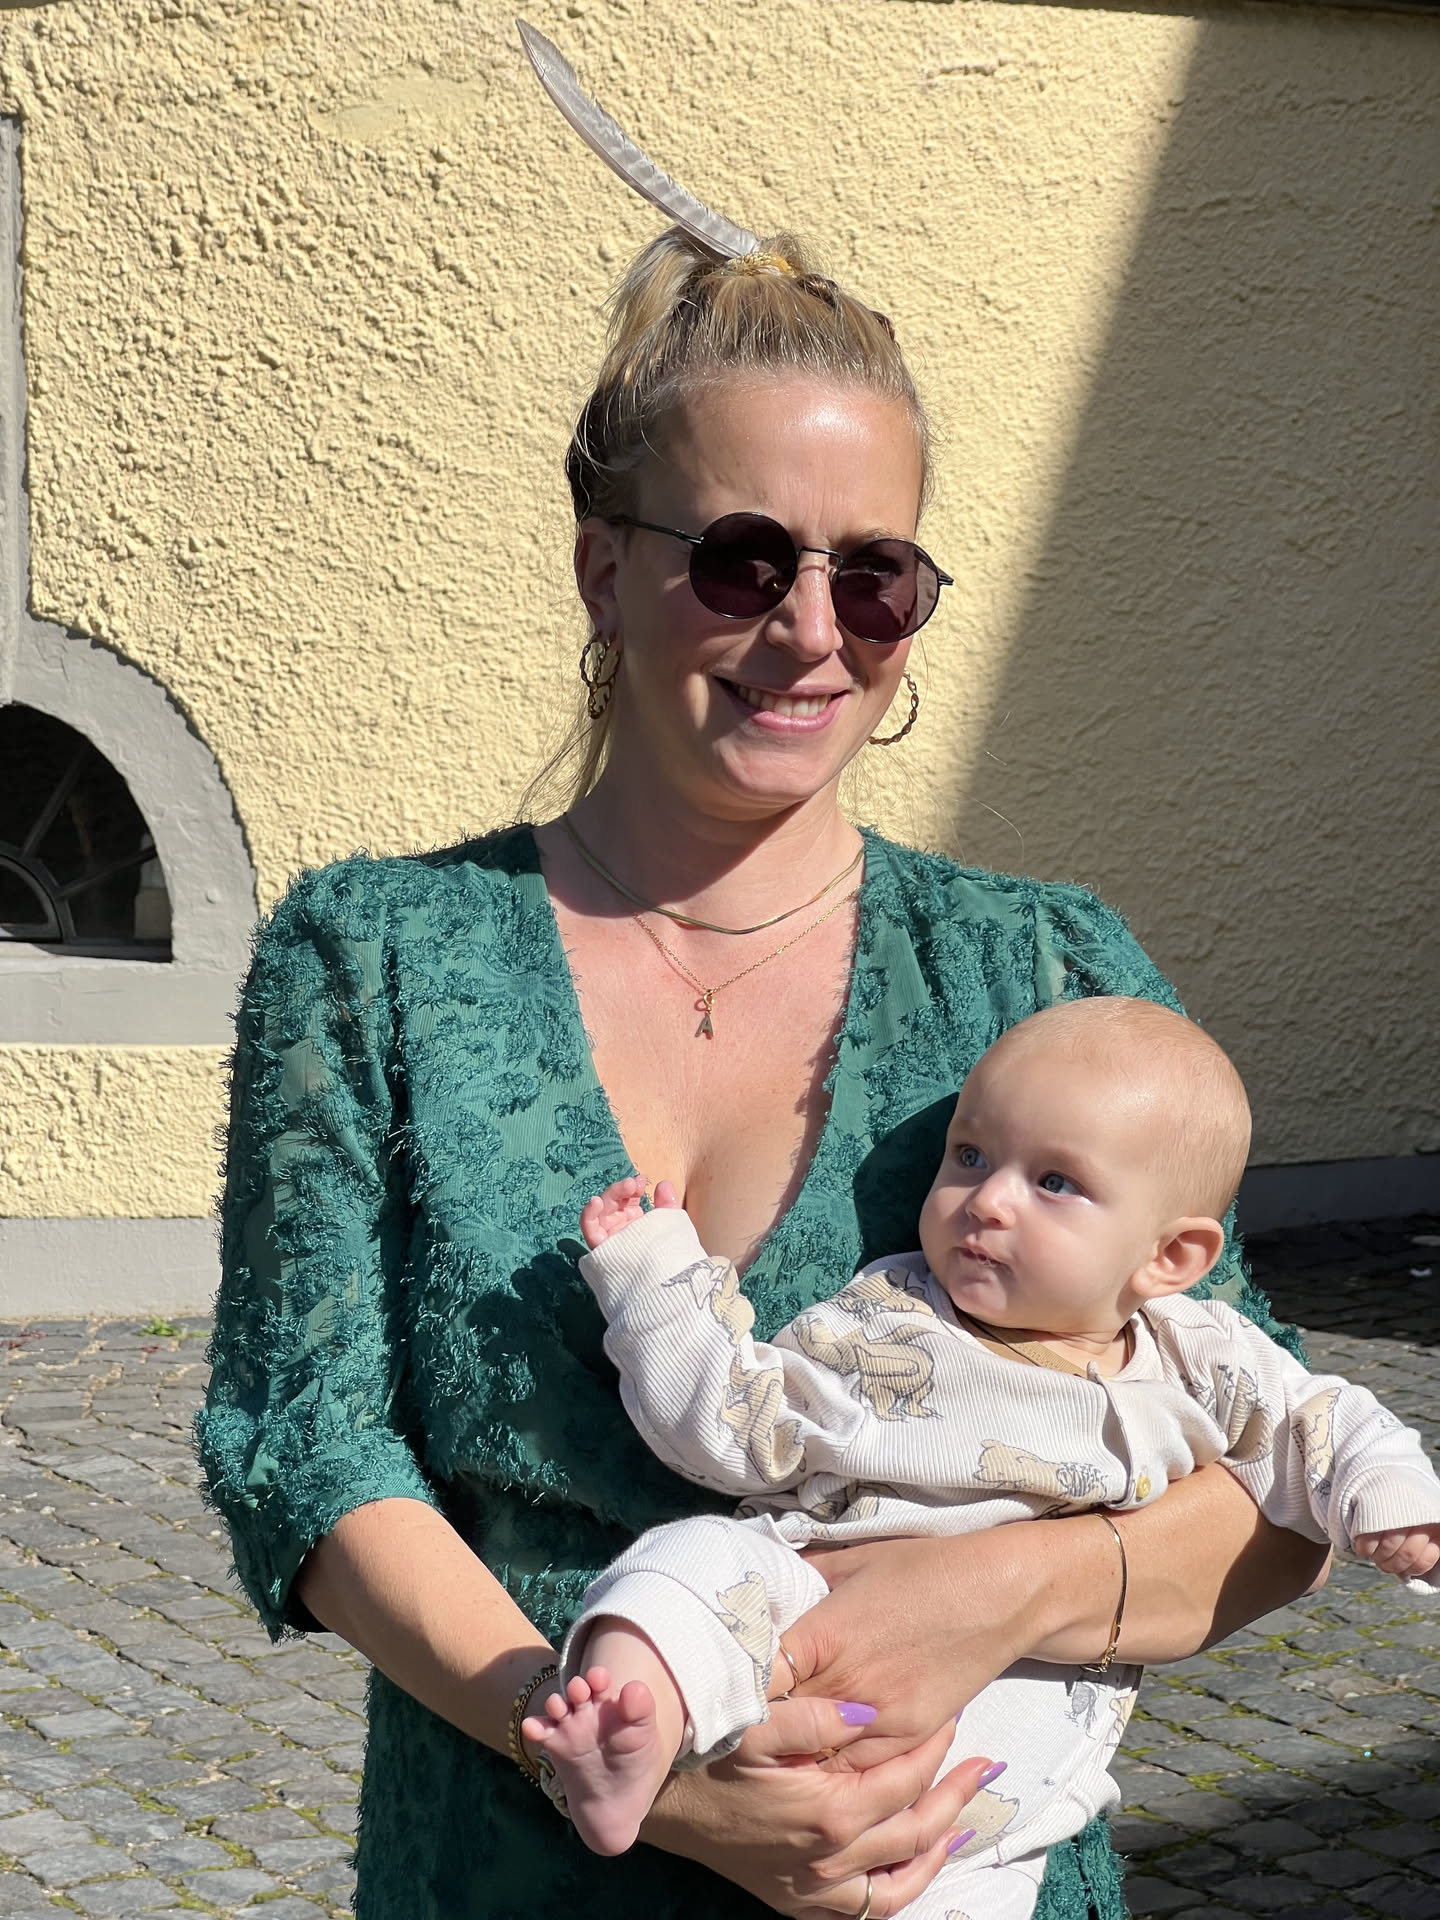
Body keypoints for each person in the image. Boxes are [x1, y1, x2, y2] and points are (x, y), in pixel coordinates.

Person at [196, 226, 1330, 1920]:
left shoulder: (1046, 969)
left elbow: (1274, 1471)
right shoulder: (374, 958)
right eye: (741, 561)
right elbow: (311, 1447)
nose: (811, 631)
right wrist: (613, 1762)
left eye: (875, 576)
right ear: (602, 568)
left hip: (960, 1874)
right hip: (516, 1865)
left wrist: (1000, 1596)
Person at [526, 997, 1440, 1915]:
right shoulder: (893, 1321)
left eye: (1055, 1182)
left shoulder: (1204, 1359)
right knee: (689, 1565)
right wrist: (654, 1279)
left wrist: (1396, 1500)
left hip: (997, 1786)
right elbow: (734, 1425)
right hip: (808, 1596)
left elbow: (1325, 1422)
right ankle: (629, 1734)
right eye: (969, 1155)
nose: (987, 1200)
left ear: (1170, 1256)